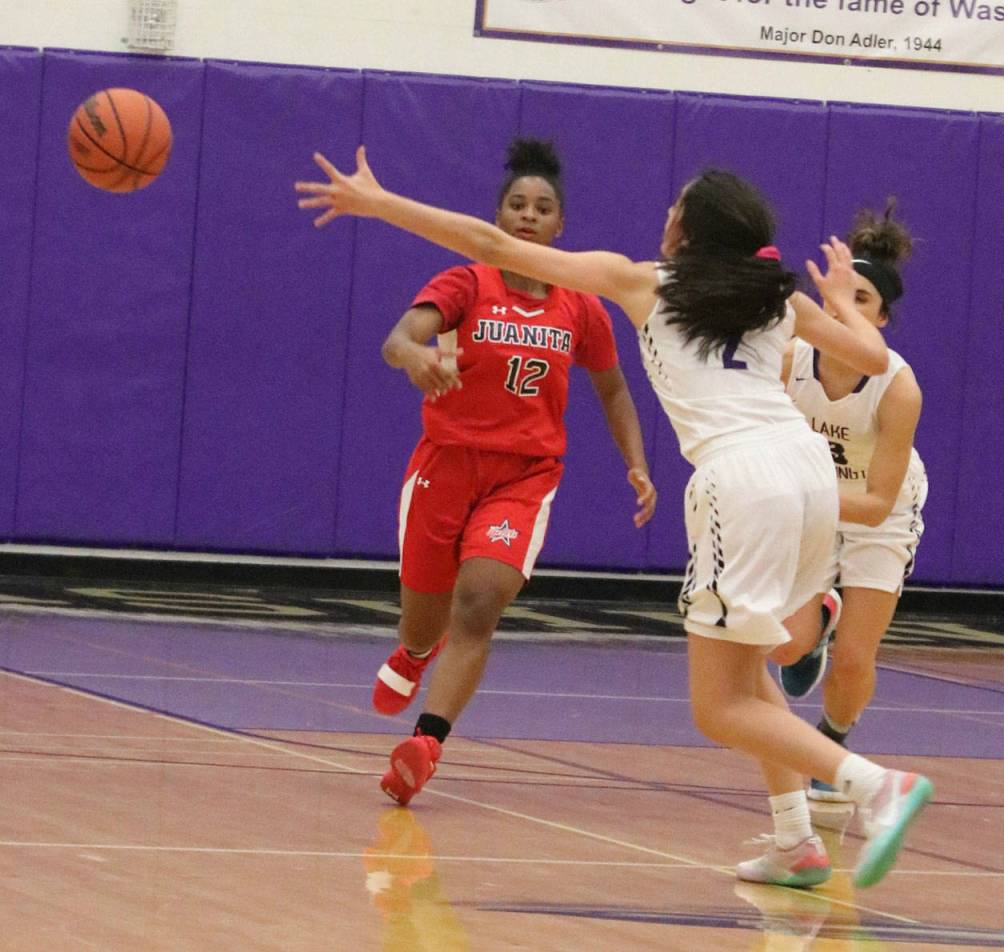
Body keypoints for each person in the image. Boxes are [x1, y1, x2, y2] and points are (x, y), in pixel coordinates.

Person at [295, 147, 933, 889]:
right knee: (747, 661)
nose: (665, 216)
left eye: (676, 207)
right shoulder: (777, 293)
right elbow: (871, 354)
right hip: (809, 478)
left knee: (717, 705)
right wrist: (845, 303)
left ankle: (870, 785)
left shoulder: (643, 282)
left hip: (746, 482)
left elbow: (494, 245)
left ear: (686, 231)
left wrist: (381, 204)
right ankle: (795, 841)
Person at [317, 138, 656, 808]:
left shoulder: (582, 305)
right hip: (446, 464)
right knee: (423, 621)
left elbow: (613, 390)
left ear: (561, 227)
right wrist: (415, 358)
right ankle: (415, 655)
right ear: (499, 218)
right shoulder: (468, 281)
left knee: (478, 603)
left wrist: (637, 463)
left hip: (524, 477)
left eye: (543, 208)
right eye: (517, 205)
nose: (529, 216)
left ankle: (426, 745)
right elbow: (398, 338)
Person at [778, 202, 927, 807]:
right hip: (813, 499)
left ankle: (834, 740)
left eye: (861, 301)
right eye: (841, 295)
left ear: (882, 319)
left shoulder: (898, 387)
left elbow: (874, 504)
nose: (844, 308)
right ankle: (814, 628)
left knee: (854, 662)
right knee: (786, 644)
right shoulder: (790, 359)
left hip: (877, 511)